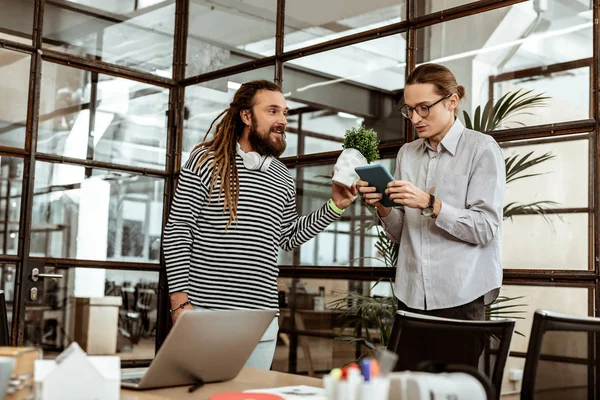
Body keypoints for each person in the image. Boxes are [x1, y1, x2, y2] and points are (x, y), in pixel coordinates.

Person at [163, 80, 357, 370]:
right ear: (246, 116)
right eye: (273, 111)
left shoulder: (282, 175)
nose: (282, 120)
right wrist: (179, 303)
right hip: (205, 315)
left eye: (285, 113)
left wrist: (334, 207)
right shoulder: (205, 161)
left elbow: (287, 236)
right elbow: (178, 231)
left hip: (261, 321)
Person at [357, 63, 505, 369]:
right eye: (409, 110)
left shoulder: (481, 149)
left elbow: (485, 228)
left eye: (424, 108)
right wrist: (382, 206)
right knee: (404, 389)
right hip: (411, 299)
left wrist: (430, 203)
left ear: (451, 101)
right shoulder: (407, 154)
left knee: (451, 392)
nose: (415, 118)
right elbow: (403, 235)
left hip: (460, 300)